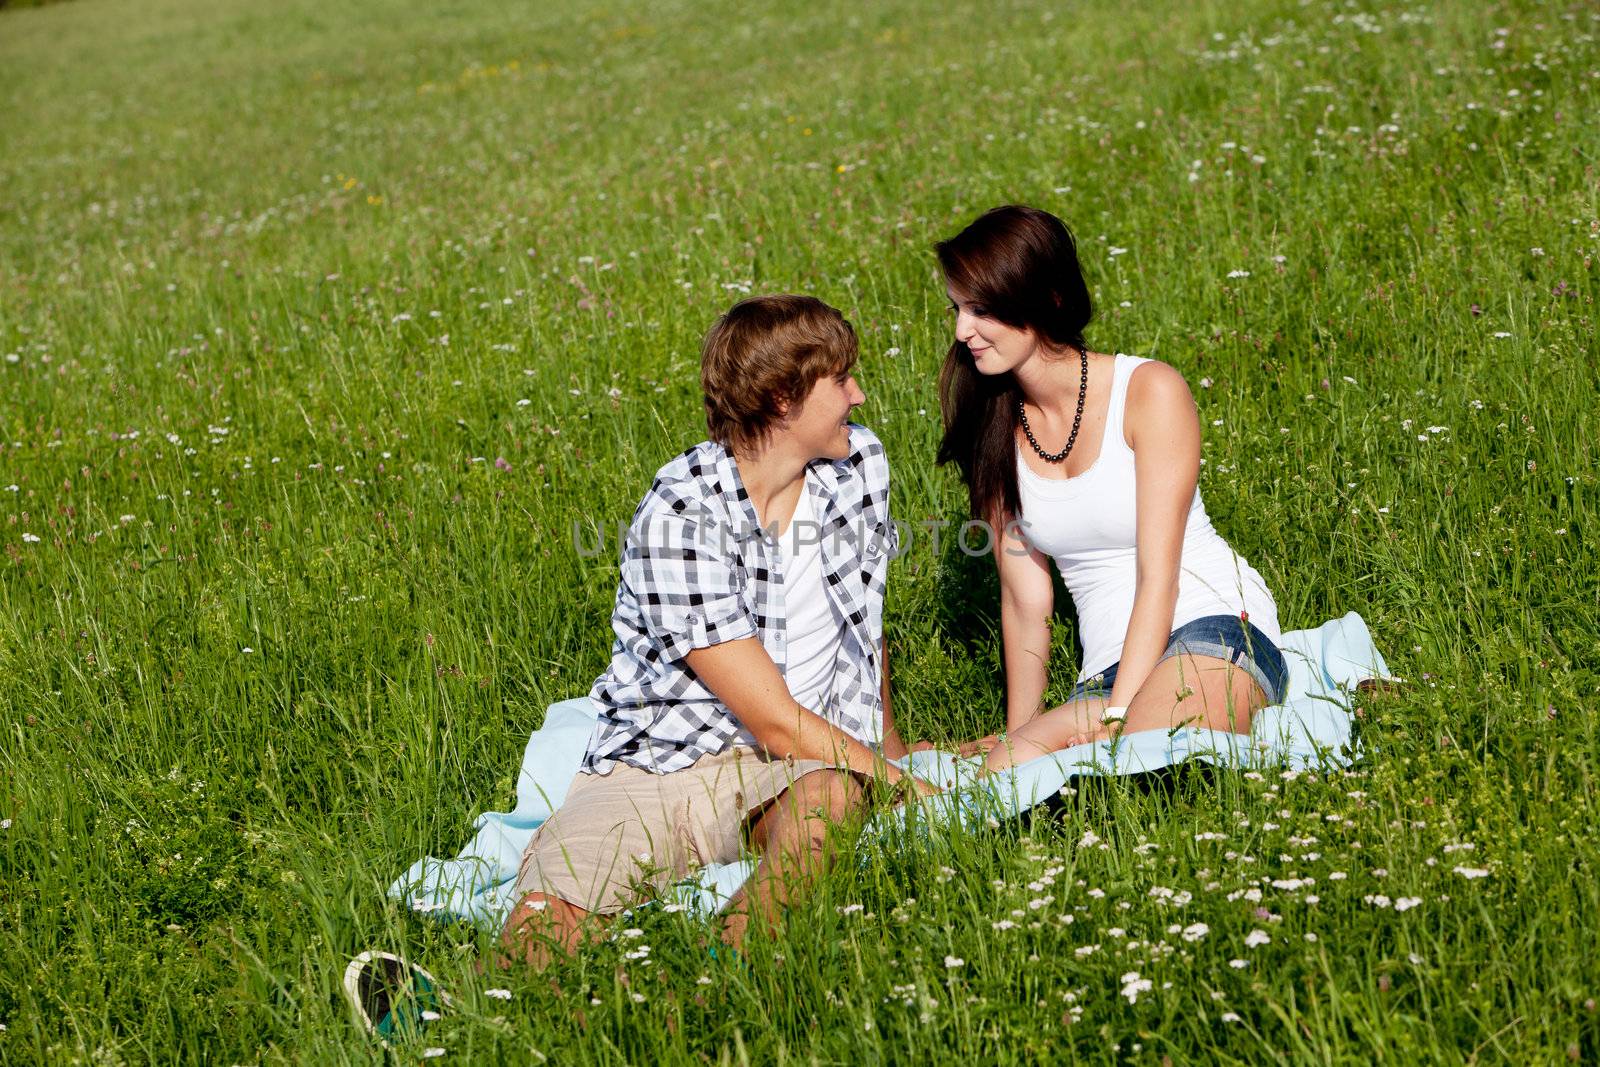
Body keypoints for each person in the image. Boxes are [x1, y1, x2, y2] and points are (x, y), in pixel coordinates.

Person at [345, 294, 934, 1042]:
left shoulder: (859, 465)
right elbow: (773, 720)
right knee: (549, 908)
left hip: (795, 764)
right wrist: (913, 786)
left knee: (824, 813)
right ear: (785, 399)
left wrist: (885, 741)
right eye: (842, 380)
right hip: (661, 761)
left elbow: (865, 620)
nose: (858, 394)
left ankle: (726, 983)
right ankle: (460, 1021)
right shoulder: (680, 515)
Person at [933, 206, 1289, 773]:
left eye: (982, 309)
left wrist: (1121, 713)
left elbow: (1160, 574)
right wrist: (1017, 732)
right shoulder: (991, 429)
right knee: (1001, 776)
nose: (961, 331)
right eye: (957, 308)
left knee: (1157, 754)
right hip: (1107, 666)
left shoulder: (1148, 391)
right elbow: (1026, 603)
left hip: (1210, 624)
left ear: (1044, 297)